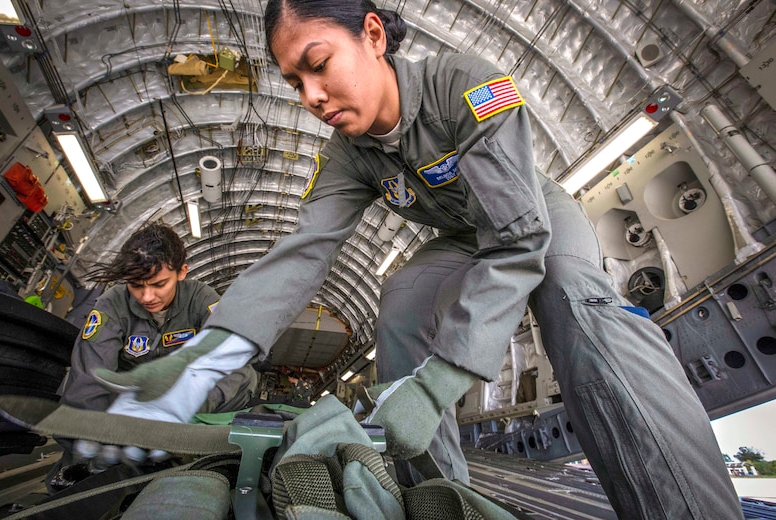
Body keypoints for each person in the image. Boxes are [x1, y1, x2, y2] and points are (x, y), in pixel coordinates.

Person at [90, 3, 743, 518]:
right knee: (401, 296)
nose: (311, 96)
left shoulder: (473, 86)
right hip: (463, 234)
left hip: (530, 212)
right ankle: (437, 498)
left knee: (574, 295)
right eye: (295, 82)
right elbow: (302, 252)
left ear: (372, 34)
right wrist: (203, 363)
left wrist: (436, 384)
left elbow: (519, 240)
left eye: (319, 64)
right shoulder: (348, 155)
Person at [51, 222, 260, 484]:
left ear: (181, 272)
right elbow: (91, 376)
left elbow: (232, 363)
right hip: (130, 401)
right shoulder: (111, 304)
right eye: (136, 285)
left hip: (188, 397)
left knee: (244, 376)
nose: (147, 296)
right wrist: (93, 440)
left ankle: (197, 450)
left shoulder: (201, 299)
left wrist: (184, 405)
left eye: (159, 284)